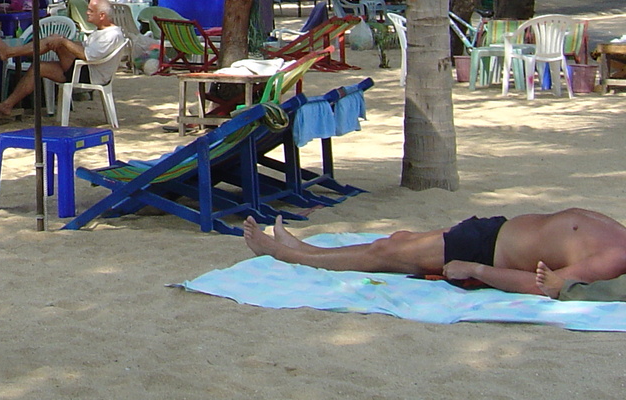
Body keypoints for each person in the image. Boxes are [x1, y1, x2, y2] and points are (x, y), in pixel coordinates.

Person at [241, 209, 626, 297]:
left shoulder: (612, 260)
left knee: (384, 251)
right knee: (399, 240)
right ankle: (305, 247)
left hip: (487, 249)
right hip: (495, 229)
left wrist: (475, 268)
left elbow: (546, 286)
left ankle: (292, 255)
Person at [0, 0, 126, 120]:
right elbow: (85, 47)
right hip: (82, 68)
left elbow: (87, 55)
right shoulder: (101, 31)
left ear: (102, 15)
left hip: (89, 74)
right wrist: (62, 40)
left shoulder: (111, 35)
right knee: (38, 67)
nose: (87, 13)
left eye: (91, 11)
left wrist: (63, 42)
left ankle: (9, 52)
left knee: (54, 42)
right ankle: (7, 105)